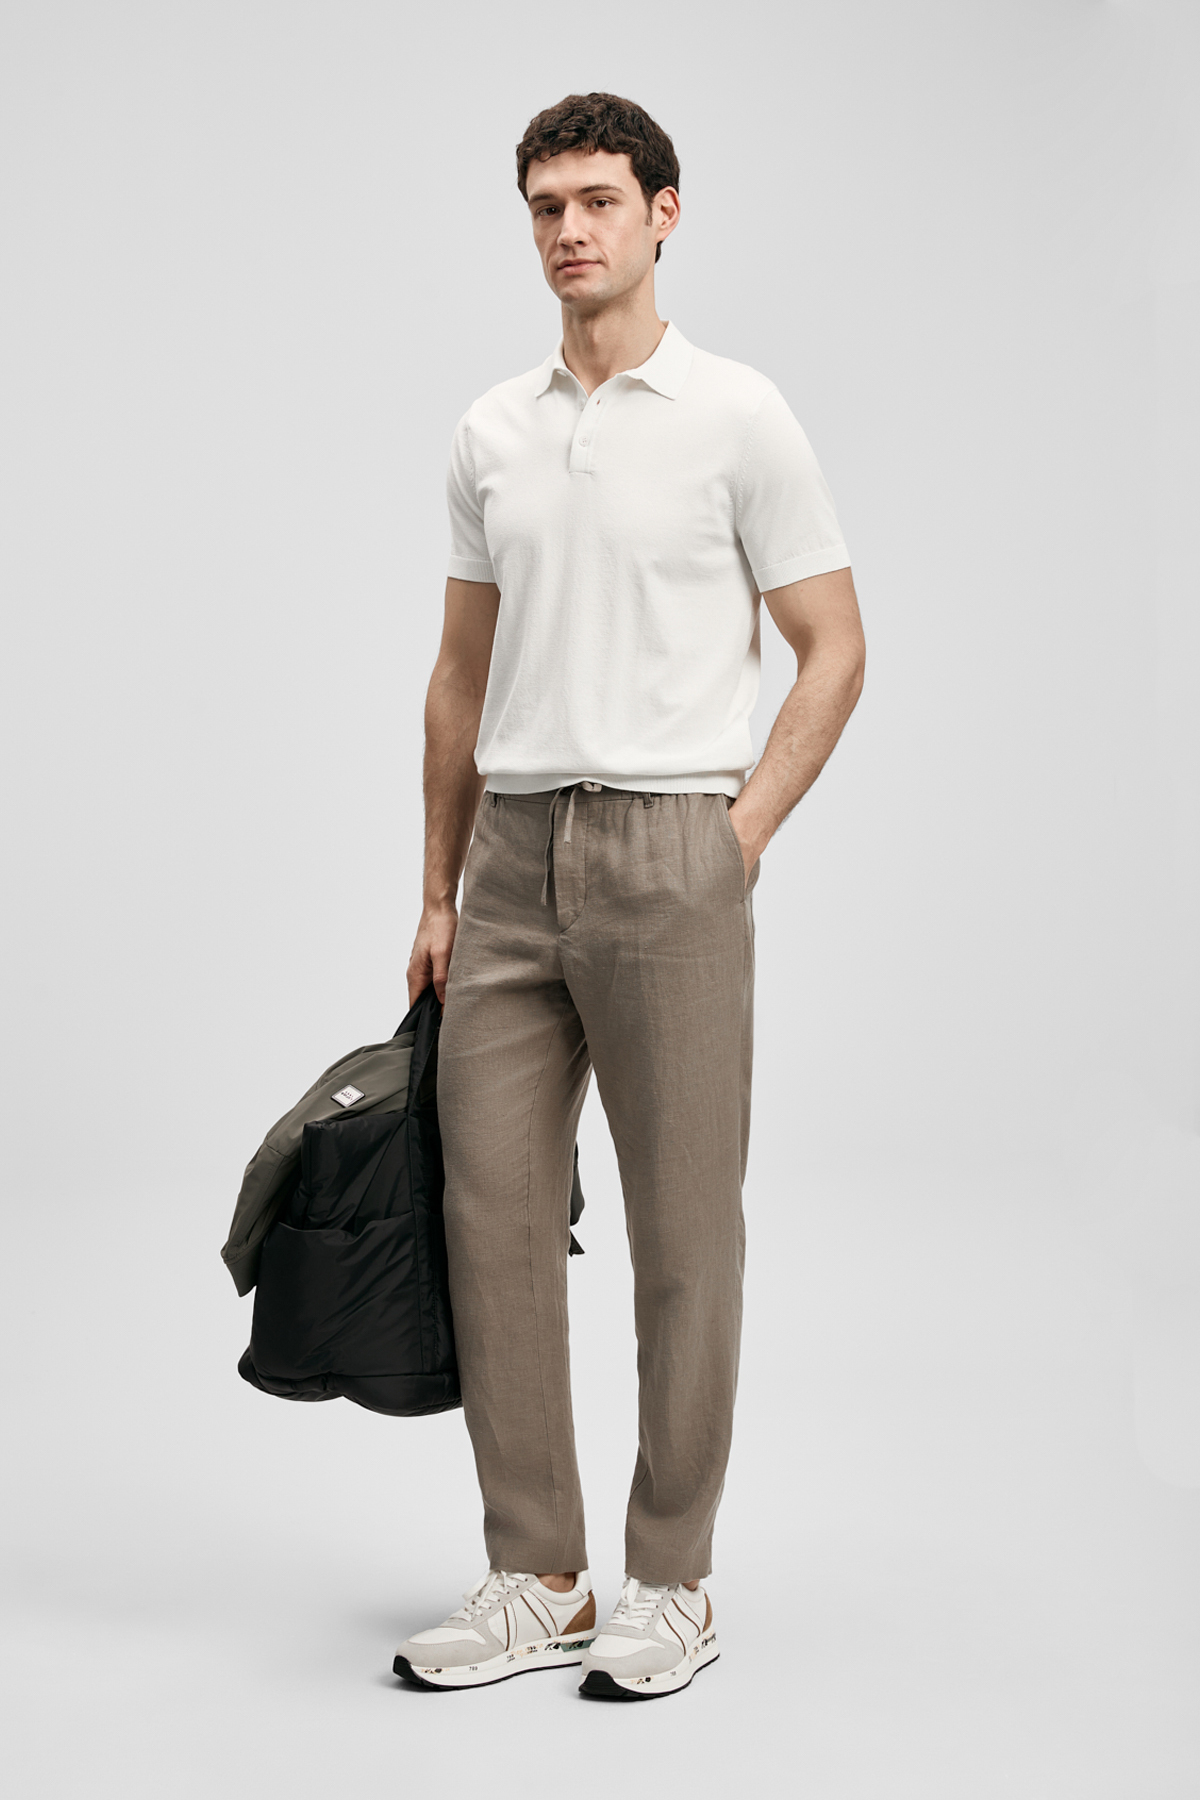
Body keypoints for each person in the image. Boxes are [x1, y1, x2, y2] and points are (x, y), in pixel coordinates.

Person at [393, 92, 864, 1700]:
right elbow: (458, 680)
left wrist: (740, 833)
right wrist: (439, 890)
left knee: (682, 1232)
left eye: (598, 200)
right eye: (545, 206)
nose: (569, 231)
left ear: (666, 211)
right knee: (493, 1223)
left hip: (674, 847)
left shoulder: (740, 416)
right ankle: (540, 1574)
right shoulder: (492, 430)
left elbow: (834, 645)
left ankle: (674, 1581)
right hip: (511, 862)